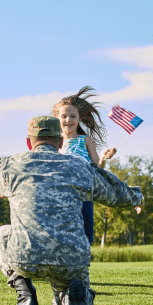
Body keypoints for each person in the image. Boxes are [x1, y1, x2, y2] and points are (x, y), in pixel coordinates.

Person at [0, 116, 143, 305]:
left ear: (28, 142)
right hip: (69, 258)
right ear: (60, 142)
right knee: (69, 289)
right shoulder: (79, 166)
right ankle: (74, 298)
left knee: (0, 236)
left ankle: (26, 298)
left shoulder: (10, 164)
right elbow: (116, 192)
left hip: (25, 255)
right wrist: (137, 197)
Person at [51, 86, 117, 245]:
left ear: (79, 119)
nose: (68, 120)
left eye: (73, 116)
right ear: (57, 119)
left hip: (85, 194)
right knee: (62, 234)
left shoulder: (86, 140)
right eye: (64, 116)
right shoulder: (54, 141)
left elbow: (97, 170)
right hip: (62, 195)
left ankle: (79, 266)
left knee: (87, 235)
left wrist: (103, 158)